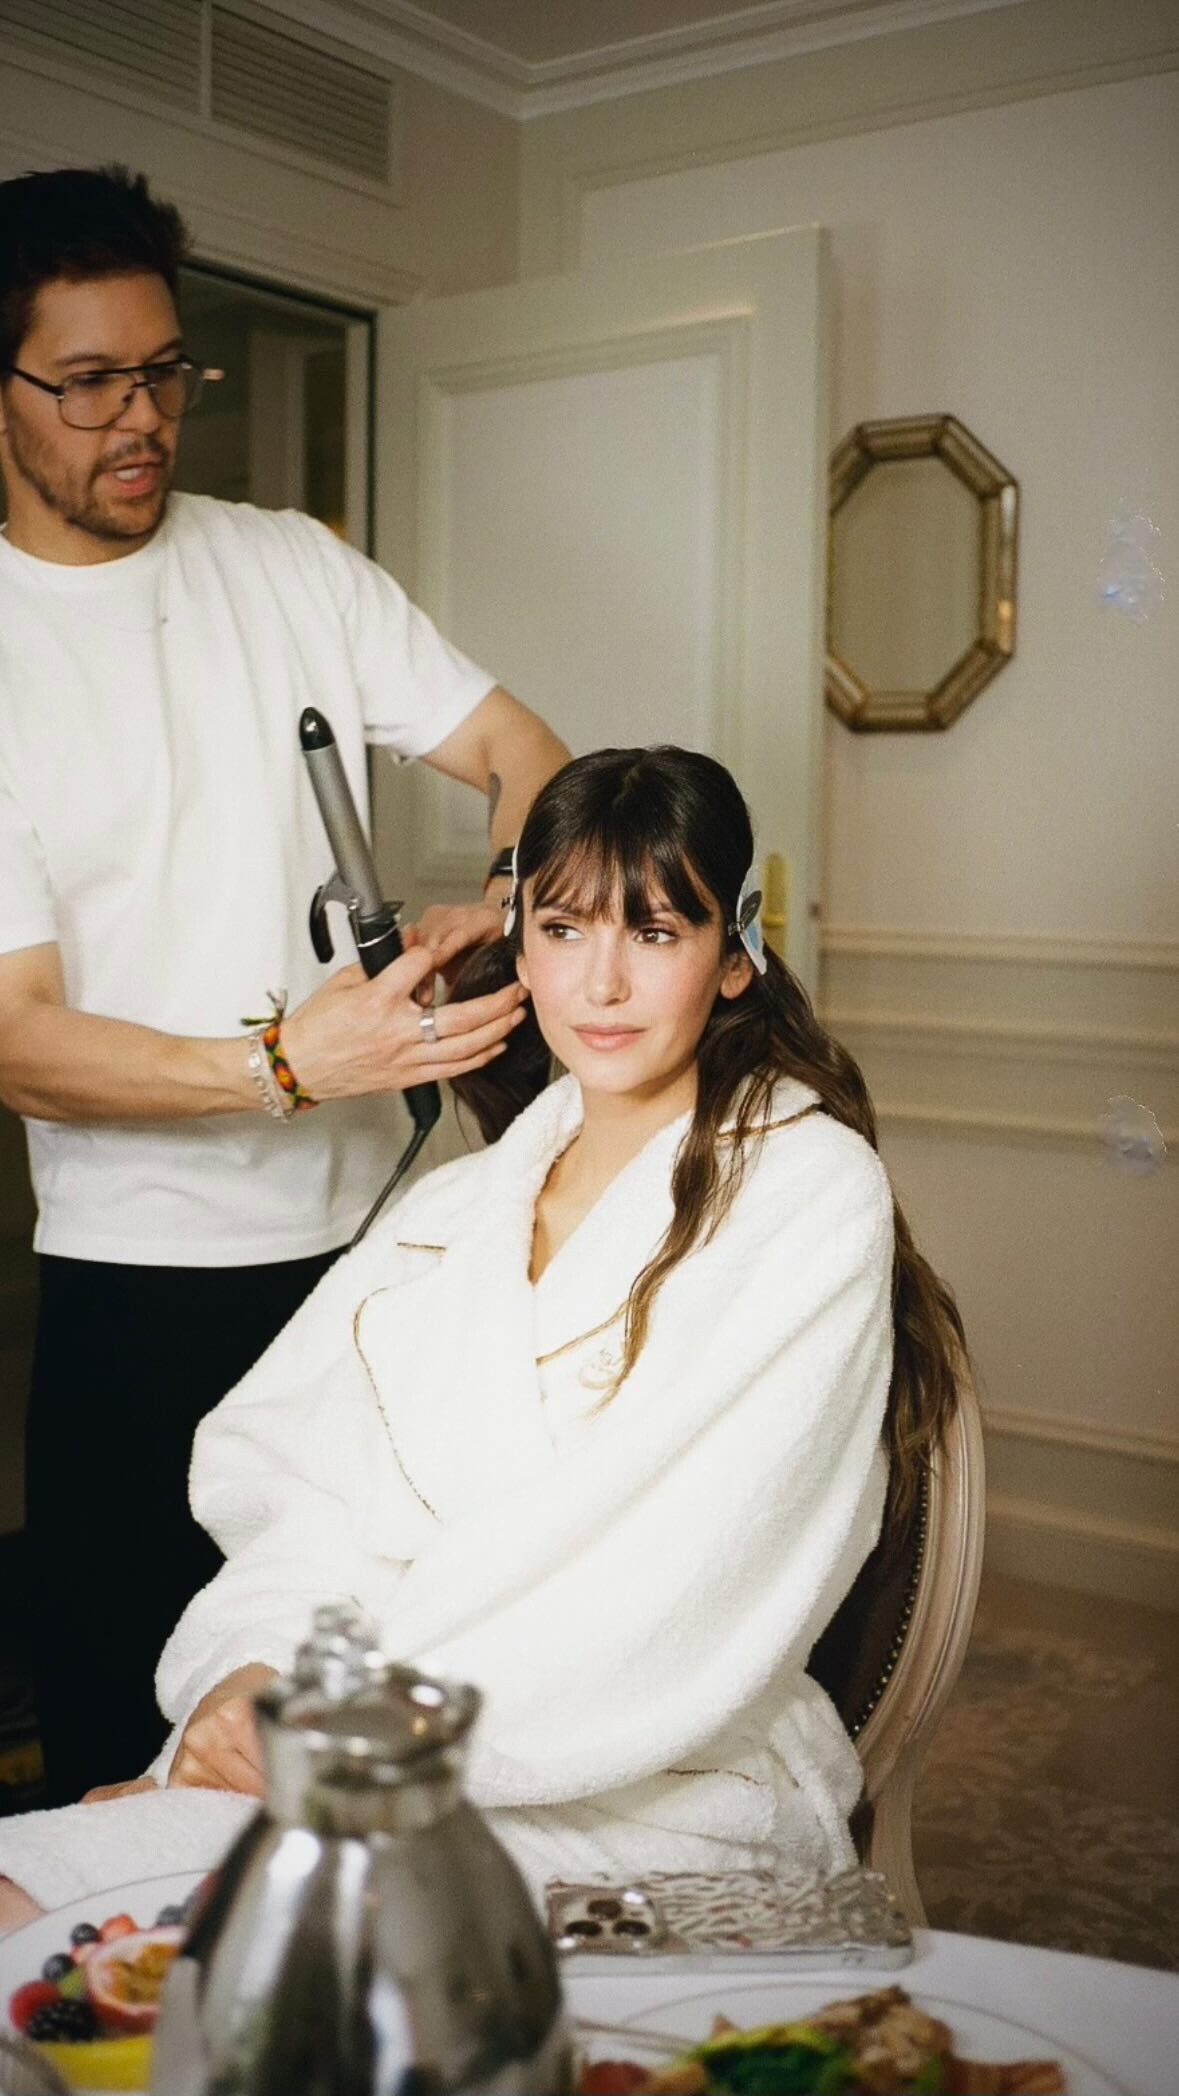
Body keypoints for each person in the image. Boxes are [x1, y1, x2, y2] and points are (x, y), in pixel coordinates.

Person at [0, 745, 965, 1928]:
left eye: (656, 931)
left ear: (733, 954)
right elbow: (304, 1496)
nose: (602, 981)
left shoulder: (808, 1193)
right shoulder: (455, 1212)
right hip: (352, 1737)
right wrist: (249, 1675)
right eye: (563, 929)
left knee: (145, 1914)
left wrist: (344, 1735)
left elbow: (681, 1577)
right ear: (522, 943)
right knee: (39, 1893)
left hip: (644, 1786)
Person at [0, 163, 568, 1804]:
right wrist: (282, 1066)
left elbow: (521, 750)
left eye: (162, 370)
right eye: (87, 381)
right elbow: (18, 1042)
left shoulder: (292, 567)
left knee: (377, 1723)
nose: (140, 418)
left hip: (380, 1259)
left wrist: (502, 907)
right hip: (141, 1296)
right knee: (138, 1756)